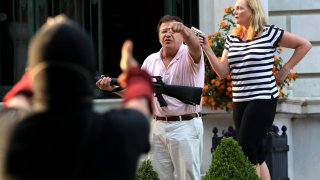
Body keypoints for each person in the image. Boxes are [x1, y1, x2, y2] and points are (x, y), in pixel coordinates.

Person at [3, 14, 154, 180]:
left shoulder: (9, 130)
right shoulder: (115, 133)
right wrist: (134, 74)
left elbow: (18, 96)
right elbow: (140, 101)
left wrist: (38, 66)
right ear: (88, 72)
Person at [198, 0, 312, 179]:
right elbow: (222, 72)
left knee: (245, 149)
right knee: (256, 153)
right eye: (234, 9)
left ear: (252, 11)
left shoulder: (269, 33)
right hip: (240, 99)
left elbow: (304, 44)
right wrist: (206, 48)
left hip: (263, 98)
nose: (235, 12)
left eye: (239, 8)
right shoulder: (231, 38)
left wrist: (286, 68)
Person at [96, 15, 205, 180]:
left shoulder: (190, 54)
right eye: (164, 31)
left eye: (173, 31)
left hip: (186, 125)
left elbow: (195, 45)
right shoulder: (150, 60)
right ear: (158, 36)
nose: (168, 34)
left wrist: (183, 29)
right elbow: (139, 92)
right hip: (157, 126)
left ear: (183, 35)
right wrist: (112, 88)